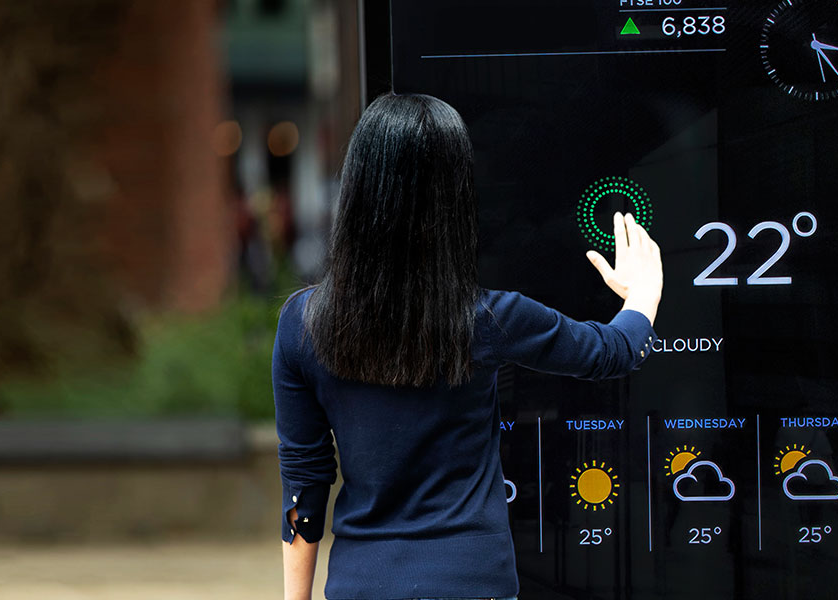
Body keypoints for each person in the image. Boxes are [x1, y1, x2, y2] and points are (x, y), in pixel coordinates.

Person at [272, 93, 662, 600]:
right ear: (453, 196)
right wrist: (645, 289)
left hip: (362, 585)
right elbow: (611, 351)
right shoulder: (490, 317)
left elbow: (304, 487)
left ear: (356, 190)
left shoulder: (303, 323)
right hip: (475, 583)